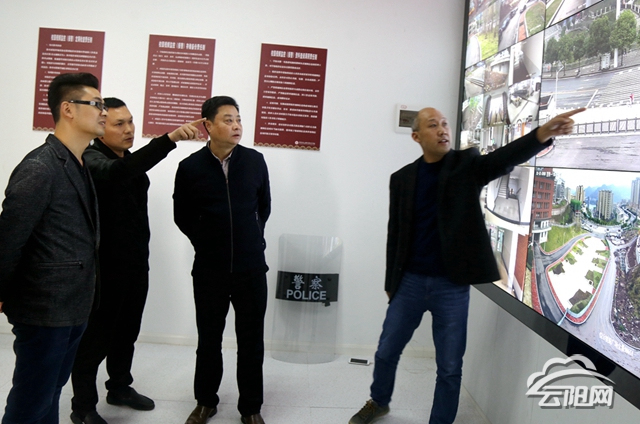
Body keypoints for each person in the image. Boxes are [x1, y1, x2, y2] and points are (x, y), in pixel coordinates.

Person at [349, 107, 585, 424]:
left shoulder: (466, 166)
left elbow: (503, 159)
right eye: (433, 125)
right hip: (410, 284)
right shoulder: (402, 179)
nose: (442, 130)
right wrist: (391, 284)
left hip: (451, 287)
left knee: (449, 367)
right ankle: (379, 402)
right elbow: (396, 234)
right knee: (386, 351)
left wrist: (542, 134)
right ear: (416, 136)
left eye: (445, 124)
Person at [69, 97, 204, 424]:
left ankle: (119, 387)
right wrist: (169, 139)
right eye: (119, 124)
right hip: (103, 268)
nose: (129, 129)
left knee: (127, 331)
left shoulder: (127, 157)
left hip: (134, 262)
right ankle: (82, 407)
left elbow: (130, 169)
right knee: (95, 339)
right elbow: (118, 173)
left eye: (130, 121)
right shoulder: (91, 158)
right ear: (100, 128)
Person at [0, 72, 106, 424]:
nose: (103, 112)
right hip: (44, 307)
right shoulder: (40, 167)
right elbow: (9, 236)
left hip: (73, 303)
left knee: (51, 393)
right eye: (96, 104)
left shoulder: (78, 161)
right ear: (68, 109)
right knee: (31, 401)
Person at [173, 96, 271, 424]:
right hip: (209, 269)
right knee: (209, 340)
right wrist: (206, 242)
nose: (236, 125)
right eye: (228, 119)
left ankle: (251, 408)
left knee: (251, 342)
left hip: (251, 268)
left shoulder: (255, 161)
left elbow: (264, 207)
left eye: (238, 119)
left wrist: (251, 239)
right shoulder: (190, 168)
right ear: (208, 125)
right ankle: (205, 402)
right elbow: (182, 215)